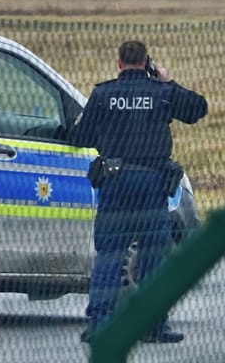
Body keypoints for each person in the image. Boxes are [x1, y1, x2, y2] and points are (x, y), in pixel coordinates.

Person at [69, 40, 208, 345]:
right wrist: (167, 81)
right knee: (152, 258)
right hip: (152, 184)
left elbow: (80, 135)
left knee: (109, 254)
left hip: (115, 183)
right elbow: (198, 109)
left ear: (118, 63)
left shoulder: (103, 94)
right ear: (147, 62)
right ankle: (153, 325)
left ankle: (100, 323)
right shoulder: (162, 94)